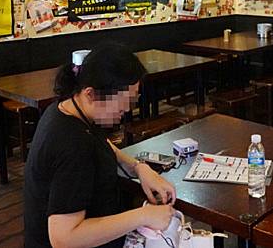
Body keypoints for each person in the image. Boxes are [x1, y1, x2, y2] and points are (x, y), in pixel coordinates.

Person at [24, 43, 176, 248]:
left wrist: (139, 168)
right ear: (90, 94)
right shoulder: (72, 144)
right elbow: (64, 238)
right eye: (122, 101)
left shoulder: (67, 110)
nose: (126, 109)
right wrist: (143, 215)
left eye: (132, 99)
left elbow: (101, 142)